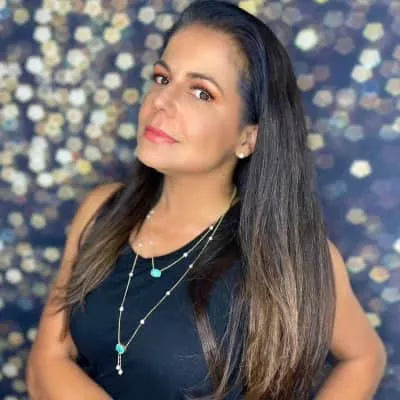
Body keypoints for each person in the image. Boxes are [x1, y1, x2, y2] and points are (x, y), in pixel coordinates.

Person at [26, 1, 387, 399]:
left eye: (201, 93)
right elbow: (48, 361)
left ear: (248, 137)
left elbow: (365, 357)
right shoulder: (102, 211)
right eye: (162, 78)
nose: (161, 101)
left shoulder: (292, 255)